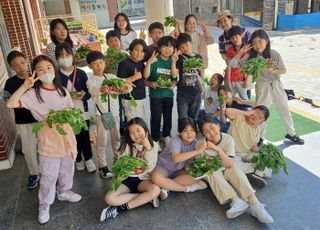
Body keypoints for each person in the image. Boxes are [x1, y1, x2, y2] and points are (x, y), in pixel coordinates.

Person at [6, 55, 81, 224]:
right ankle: (44, 204)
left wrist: (70, 115)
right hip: (49, 139)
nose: (46, 71)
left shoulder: (62, 90)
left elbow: (69, 107)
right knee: (49, 174)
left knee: (67, 168)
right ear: (36, 73)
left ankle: (64, 192)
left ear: (53, 69)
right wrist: (24, 86)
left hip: (66, 136)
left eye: (48, 67)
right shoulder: (33, 93)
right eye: (40, 69)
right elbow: (10, 104)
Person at [198, 116, 274, 224]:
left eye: (212, 127)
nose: (210, 132)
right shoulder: (200, 145)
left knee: (233, 166)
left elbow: (228, 164)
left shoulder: (228, 139)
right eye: (206, 131)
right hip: (215, 175)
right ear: (202, 134)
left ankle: (255, 205)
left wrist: (216, 149)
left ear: (218, 126)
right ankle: (235, 201)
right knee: (211, 171)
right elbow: (201, 166)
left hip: (227, 169)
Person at [237, 29, 304, 145]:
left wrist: (272, 69)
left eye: (260, 41)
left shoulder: (273, 54)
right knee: (259, 114)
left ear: (267, 41)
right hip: (262, 86)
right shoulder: (251, 57)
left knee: (285, 110)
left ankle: (291, 133)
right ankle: (260, 137)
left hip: (276, 85)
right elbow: (236, 64)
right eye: (254, 42)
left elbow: (283, 70)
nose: (257, 45)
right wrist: (241, 53)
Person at [100, 117, 160, 222]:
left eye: (138, 130)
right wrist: (128, 164)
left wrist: (148, 148)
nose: (136, 134)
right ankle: (144, 198)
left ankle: (120, 209)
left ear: (145, 130)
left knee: (155, 190)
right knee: (109, 198)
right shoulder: (127, 145)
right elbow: (120, 163)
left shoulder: (153, 145)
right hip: (127, 179)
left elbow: (149, 167)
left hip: (143, 180)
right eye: (132, 132)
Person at [55, 42, 96, 173]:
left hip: (81, 110)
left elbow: (89, 91)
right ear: (57, 59)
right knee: (72, 138)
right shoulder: (55, 76)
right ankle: (78, 159)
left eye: (67, 55)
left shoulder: (81, 73)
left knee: (84, 135)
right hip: (66, 113)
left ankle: (88, 159)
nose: (65, 58)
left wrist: (84, 95)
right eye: (61, 56)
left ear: (72, 56)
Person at [3, 50, 39, 189]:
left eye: (22, 63)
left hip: (42, 119)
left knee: (46, 147)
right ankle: (34, 173)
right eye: (16, 65)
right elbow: (6, 100)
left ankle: (50, 171)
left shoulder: (38, 77)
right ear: (12, 67)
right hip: (24, 121)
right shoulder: (10, 83)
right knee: (29, 150)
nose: (21, 67)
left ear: (27, 60)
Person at [151, 118, 208, 200]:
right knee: (155, 178)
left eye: (192, 130)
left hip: (178, 170)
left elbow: (187, 163)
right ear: (180, 132)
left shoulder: (195, 143)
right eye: (185, 130)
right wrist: (197, 151)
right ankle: (188, 189)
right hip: (163, 168)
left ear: (196, 131)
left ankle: (166, 187)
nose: (189, 134)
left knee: (197, 175)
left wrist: (190, 171)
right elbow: (176, 158)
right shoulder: (176, 141)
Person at [86, 51, 121, 178]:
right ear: (90, 66)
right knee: (102, 142)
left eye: (101, 62)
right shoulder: (91, 81)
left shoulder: (111, 77)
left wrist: (130, 81)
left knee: (116, 139)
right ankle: (102, 166)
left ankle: (118, 160)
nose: (99, 66)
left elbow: (122, 84)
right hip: (101, 116)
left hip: (115, 114)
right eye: (95, 64)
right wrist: (102, 88)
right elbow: (93, 90)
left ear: (104, 63)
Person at [226, 105, 272, 188]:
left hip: (247, 153)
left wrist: (255, 148)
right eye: (256, 112)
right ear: (251, 110)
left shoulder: (257, 129)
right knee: (232, 163)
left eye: (260, 117)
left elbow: (253, 144)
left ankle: (251, 174)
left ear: (261, 122)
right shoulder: (239, 118)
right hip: (233, 153)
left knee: (266, 160)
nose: (256, 116)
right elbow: (227, 111)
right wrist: (246, 113)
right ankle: (255, 173)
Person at [143, 36, 177, 146]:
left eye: (171, 47)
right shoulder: (155, 60)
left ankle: (166, 135)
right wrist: (148, 63)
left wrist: (173, 84)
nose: (168, 49)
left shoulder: (173, 59)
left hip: (168, 94)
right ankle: (155, 139)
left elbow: (174, 78)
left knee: (168, 117)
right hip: (156, 95)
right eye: (165, 47)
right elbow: (146, 76)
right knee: (156, 118)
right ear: (159, 48)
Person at [172, 33, 204, 123]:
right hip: (183, 92)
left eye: (186, 44)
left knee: (194, 117)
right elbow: (174, 75)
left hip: (196, 92)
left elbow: (201, 72)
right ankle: (183, 133)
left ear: (191, 43)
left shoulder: (198, 57)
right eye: (182, 47)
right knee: (183, 117)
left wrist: (202, 83)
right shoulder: (180, 58)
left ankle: (192, 133)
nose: (185, 48)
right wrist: (173, 62)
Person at [117, 39, 148, 123]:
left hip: (141, 97)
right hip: (130, 99)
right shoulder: (124, 63)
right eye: (136, 50)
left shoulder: (140, 63)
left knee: (142, 122)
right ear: (131, 50)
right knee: (133, 123)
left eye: (142, 51)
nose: (139, 53)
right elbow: (119, 83)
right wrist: (133, 77)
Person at [225, 26, 250, 100]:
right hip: (229, 78)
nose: (235, 39)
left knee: (245, 99)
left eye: (236, 36)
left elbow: (249, 66)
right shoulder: (230, 49)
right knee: (229, 100)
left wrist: (247, 80)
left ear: (242, 35)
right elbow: (229, 66)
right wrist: (228, 81)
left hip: (241, 79)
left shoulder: (247, 48)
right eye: (232, 38)